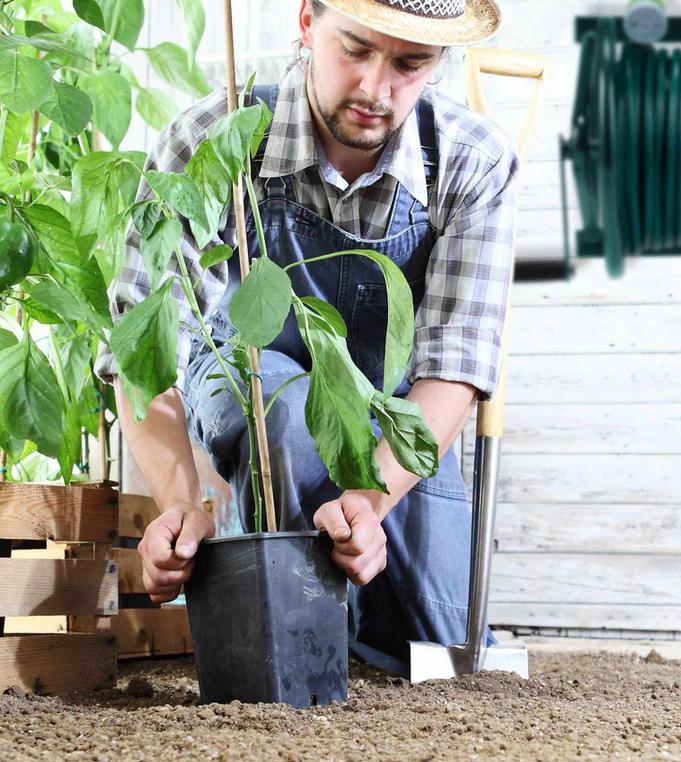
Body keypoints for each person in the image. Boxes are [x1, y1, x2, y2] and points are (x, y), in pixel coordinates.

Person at [95, 0, 518, 676]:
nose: (376, 89)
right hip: (250, 379)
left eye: (410, 64)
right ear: (306, 22)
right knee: (286, 419)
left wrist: (370, 504)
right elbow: (143, 352)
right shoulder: (216, 137)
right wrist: (179, 503)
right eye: (355, 49)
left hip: (385, 411)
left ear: (438, 60)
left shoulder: (472, 160)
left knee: (436, 633)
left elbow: (453, 367)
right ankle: (283, 640)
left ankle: (321, 613)